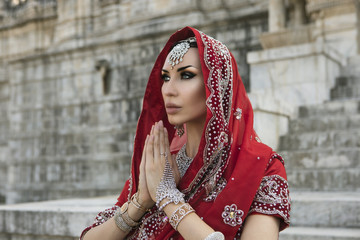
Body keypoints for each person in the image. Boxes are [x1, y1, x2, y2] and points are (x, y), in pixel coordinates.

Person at [80, 26, 290, 240]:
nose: (169, 90)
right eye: (165, 77)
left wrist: (167, 198)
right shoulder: (162, 160)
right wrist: (140, 202)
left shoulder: (262, 168)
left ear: (216, 85)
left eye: (186, 75)